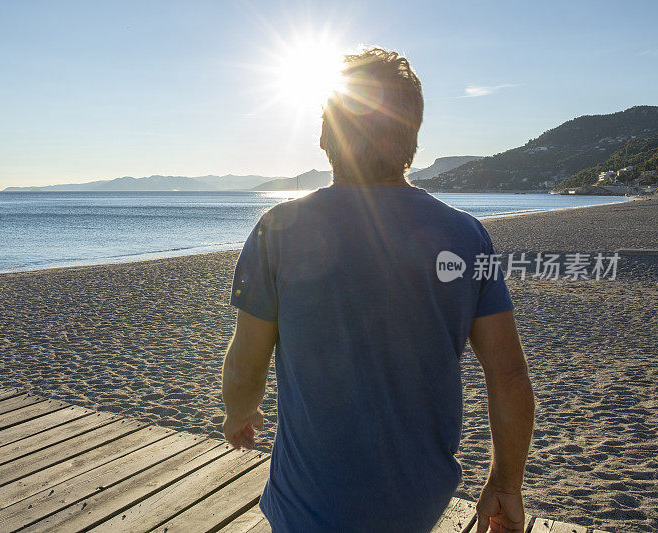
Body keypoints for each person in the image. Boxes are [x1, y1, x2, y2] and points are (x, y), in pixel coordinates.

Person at [222, 48, 535, 533]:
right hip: (418, 501)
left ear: (325, 137)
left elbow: (247, 360)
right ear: (411, 138)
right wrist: (505, 483)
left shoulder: (279, 229)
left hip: (309, 504)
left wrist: (240, 411)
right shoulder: (467, 236)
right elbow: (510, 375)